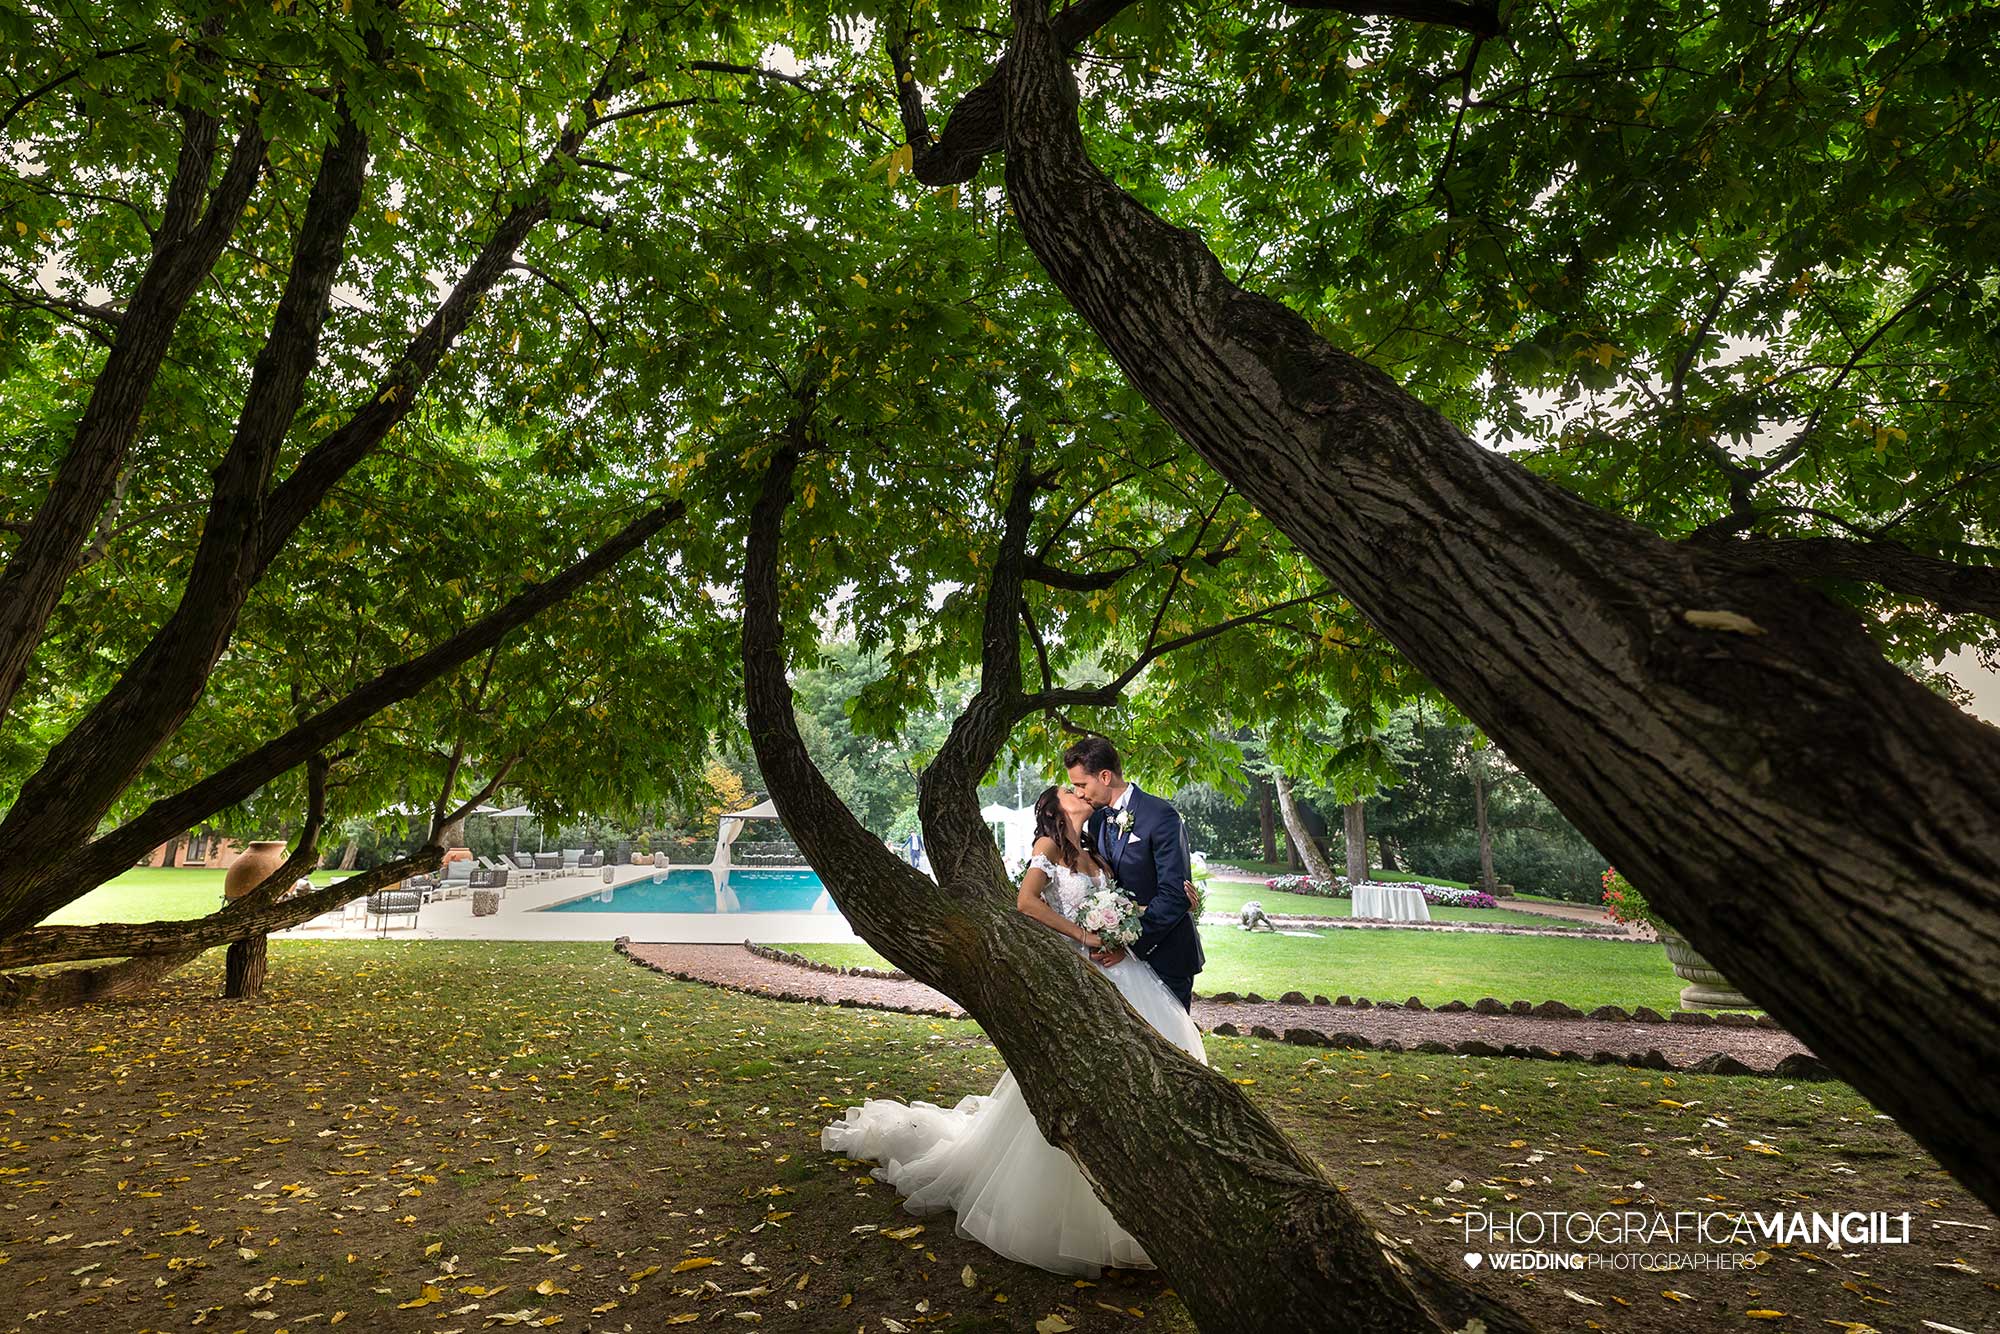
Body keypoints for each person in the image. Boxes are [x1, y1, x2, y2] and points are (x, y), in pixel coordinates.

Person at [820, 782, 1205, 1275]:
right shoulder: (1046, 848)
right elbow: (1027, 904)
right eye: (1070, 789)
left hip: (1124, 971)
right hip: (1086, 973)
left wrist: (1165, 910)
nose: (1080, 791)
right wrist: (1086, 937)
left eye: (1081, 782)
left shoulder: (1100, 847)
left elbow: (1134, 900)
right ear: (1055, 808)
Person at [1064, 735, 1205, 1010]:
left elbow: (1174, 894)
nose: (1078, 793)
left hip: (1166, 955)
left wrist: (1129, 946)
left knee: (1170, 1043)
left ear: (1104, 776)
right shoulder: (1096, 820)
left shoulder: (1161, 815)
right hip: (1117, 962)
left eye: (1082, 784)